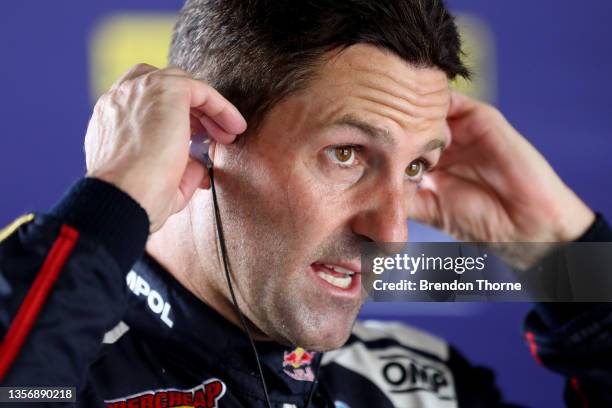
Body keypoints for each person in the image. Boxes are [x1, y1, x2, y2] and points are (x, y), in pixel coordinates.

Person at [0, 0, 611, 407]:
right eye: (346, 154)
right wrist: (114, 199)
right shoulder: (64, 371)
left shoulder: (420, 386)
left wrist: (567, 249)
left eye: (416, 167)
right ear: (202, 132)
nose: (392, 232)